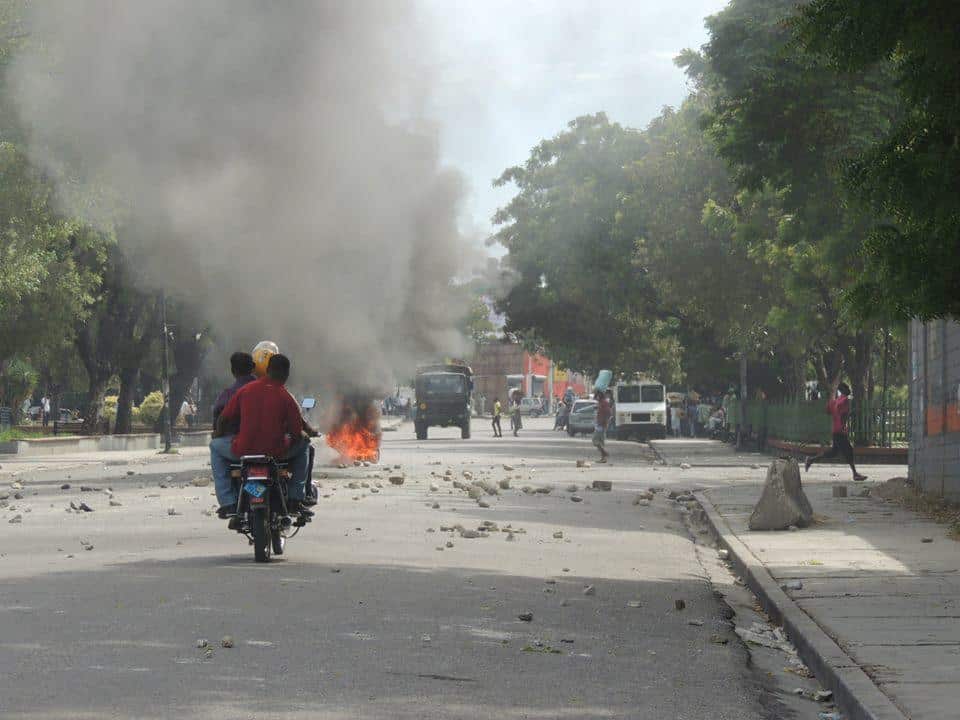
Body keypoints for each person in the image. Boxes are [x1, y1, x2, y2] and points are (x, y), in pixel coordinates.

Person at [209, 353, 312, 522]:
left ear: (268, 370)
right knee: (305, 447)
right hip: (275, 452)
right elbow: (296, 432)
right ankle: (295, 498)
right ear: (286, 374)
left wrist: (218, 434)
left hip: (243, 450)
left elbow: (223, 418)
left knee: (215, 446)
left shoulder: (245, 390)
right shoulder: (286, 396)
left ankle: (228, 502)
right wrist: (300, 437)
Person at [805, 381, 867, 481]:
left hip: (835, 430)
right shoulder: (845, 400)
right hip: (840, 431)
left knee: (834, 452)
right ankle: (855, 474)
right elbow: (843, 415)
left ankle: (811, 460)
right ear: (843, 390)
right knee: (849, 451)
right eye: (847, 388)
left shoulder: (835, 401)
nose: (849, 390)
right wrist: (844, 423)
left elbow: (827, 411)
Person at [593, 389, 611, 463]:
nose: (596, 397)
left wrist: (604, 422)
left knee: (595, 440)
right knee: (600, 442)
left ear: (600, 395)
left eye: (597, 396)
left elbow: (608, 413)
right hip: (599, 424)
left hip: (601, 425)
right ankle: (603, 458)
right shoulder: (600, 402)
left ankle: (605, 453)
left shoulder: (604, 402)